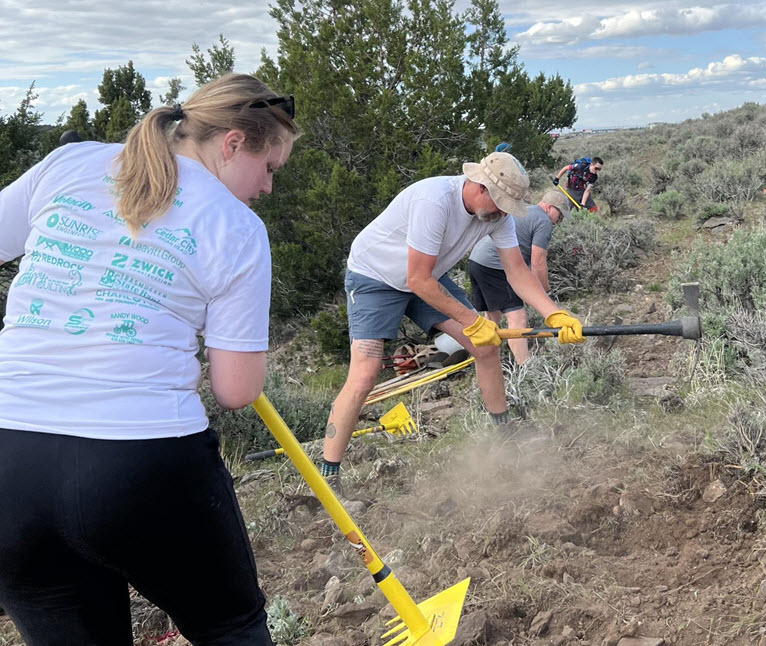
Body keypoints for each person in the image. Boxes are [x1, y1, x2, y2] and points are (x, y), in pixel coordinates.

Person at [0, 73, 298, 646]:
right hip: (139, 460)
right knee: (228, 627)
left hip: (10, 461)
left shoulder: (68, 163)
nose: (266, 188)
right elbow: (237, 390)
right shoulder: (235, 226)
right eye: (269, 169)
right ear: (233, 143)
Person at [322, 152, 585, 493]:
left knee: (485, 347)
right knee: (365, 372)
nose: (502, 213)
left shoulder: (498, 217)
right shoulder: (434, 201)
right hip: (376, 276)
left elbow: (518, 272)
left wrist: (553, 312)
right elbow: (416, 280)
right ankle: (328, 476)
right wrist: (473, 320)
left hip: (425, 275)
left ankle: (504, 439)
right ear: (479, 186)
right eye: (500, 203)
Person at [467, 189, 570, 364]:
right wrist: (543, 295)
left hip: (476, 260)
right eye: (559, 216)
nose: (558, 222)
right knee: (517, 317)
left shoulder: (526, 211)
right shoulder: (543, 221)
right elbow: (538, 262)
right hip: (495, 265)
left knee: (493, 316)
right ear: (549, 207)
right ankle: (524, 367)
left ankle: (488, 357)